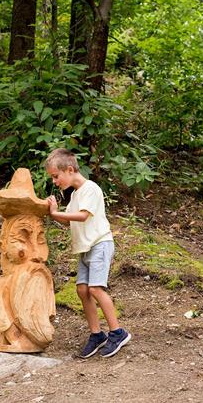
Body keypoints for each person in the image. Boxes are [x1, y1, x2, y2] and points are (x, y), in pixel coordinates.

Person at [45, 148, 131, 358]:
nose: (55, 182)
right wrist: (53, 212)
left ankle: (118, 332)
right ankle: (96, 334)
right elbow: (68, 221)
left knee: (95, 289)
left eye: (56, 177)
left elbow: (83, 216)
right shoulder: (74, 195)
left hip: (99, 244)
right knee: (82, 290)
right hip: (85, 248)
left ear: (70, 169)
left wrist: (57, 212)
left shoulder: (90, 188)